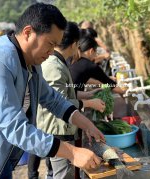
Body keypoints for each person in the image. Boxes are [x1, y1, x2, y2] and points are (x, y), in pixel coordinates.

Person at [0, 3, 104, 179]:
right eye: (50, 44)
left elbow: (53, 99)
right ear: (28, 32)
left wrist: (86, 124)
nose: (52, 52)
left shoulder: (31, 62)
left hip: (1, 154)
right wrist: (73, 153)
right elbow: (15, 128)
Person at [28, 21, 106, 179]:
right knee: (62, 175)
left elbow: (61, 94)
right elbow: (60, 102)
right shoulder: (54, 65)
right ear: (75, 44)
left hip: (61, 128)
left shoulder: (59, 63)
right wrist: (90, 103)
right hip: (58, 130)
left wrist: (88, 95)